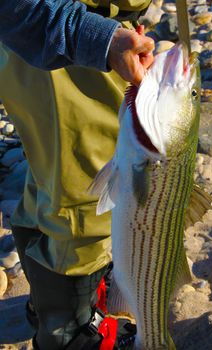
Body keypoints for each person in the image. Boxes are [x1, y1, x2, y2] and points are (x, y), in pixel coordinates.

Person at [0, 1, 154, 349]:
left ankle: (50, 308)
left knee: (52, 184)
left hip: (63, 38)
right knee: (85, 206)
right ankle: (72, 334)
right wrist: (97, 39)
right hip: (68, 43)